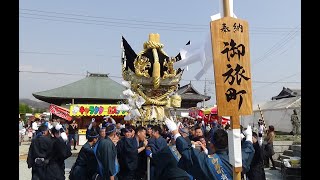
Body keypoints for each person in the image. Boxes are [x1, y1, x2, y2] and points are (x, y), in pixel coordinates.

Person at [165, 117, 255, 180]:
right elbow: (248, 149)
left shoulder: (207, 161)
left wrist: (175, 132)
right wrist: (249, 136)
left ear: (212, 144)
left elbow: (187, 152)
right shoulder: (237, 158)